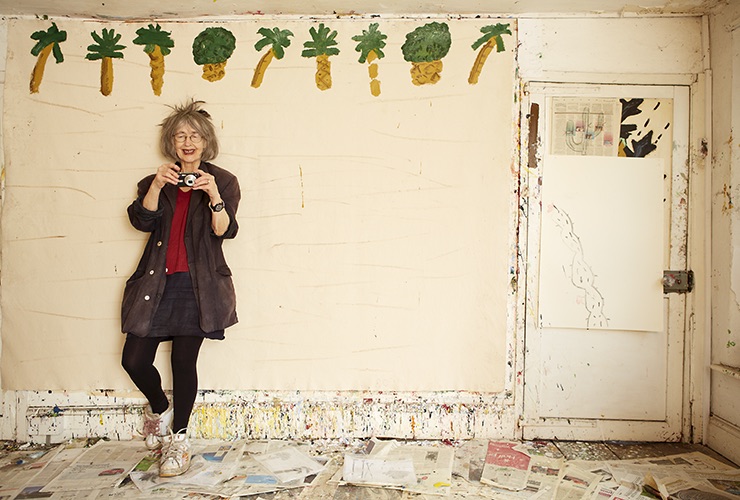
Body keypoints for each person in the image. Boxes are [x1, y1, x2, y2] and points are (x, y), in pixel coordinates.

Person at [120, 99, 240, 477]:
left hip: (198, 285)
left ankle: (180, 440)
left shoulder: (224, 181)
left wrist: (214, 196)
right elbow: (142, 220)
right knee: (134, 360)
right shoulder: (155, 180)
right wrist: (157, 184)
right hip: (155, 282)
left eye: (194, 135)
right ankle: (160, 408)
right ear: (171, 143)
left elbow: (225, 231)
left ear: (206, 142)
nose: (187, 142)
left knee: (183, 362)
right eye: (179, 135)